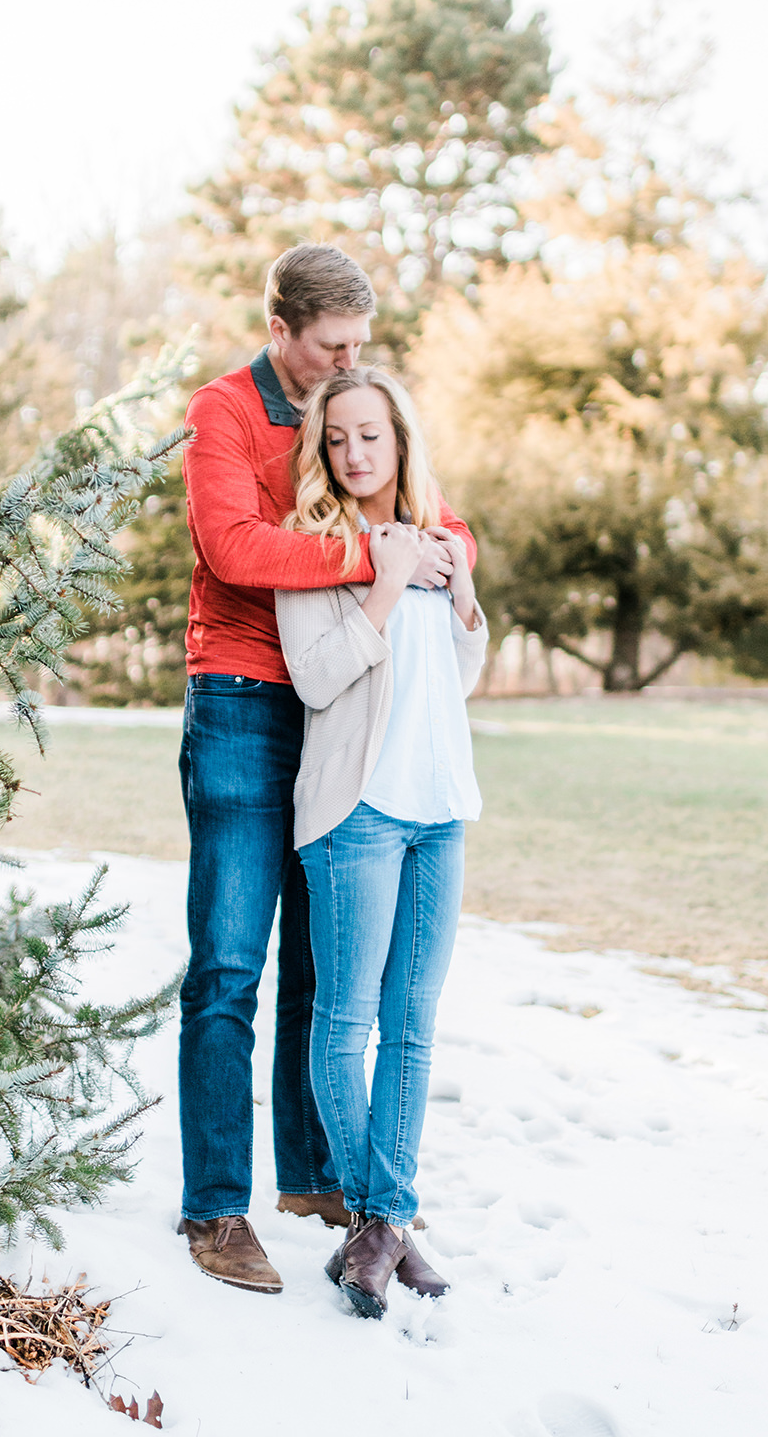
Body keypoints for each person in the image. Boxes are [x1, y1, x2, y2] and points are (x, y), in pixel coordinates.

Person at [176, 245, 476, 1295]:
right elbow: (237, 548)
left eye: (361, 346)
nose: (350, 361)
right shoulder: (224, 412)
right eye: (333, 346)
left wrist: (432, 545)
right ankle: (217, 1205)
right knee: (229, 962)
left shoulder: (347, 415)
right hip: (244, 701)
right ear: (280, 332)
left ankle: (320, 1180)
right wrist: (381, 555)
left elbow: (436, 510)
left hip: (353, 713)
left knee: (324, 965)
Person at [275, 365, 488, 1320]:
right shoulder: (311, 545)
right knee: (346, 1022)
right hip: (357, 813)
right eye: (337, 439)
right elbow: (316, 679)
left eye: (371, 435)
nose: (355, 454)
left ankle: (380, 1227)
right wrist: (384, 582)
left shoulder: (437, 538)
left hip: (439, 809)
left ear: (400, 439)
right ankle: (386, 1221)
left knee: (413, 1026)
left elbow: (459, 673)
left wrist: (461, 589)